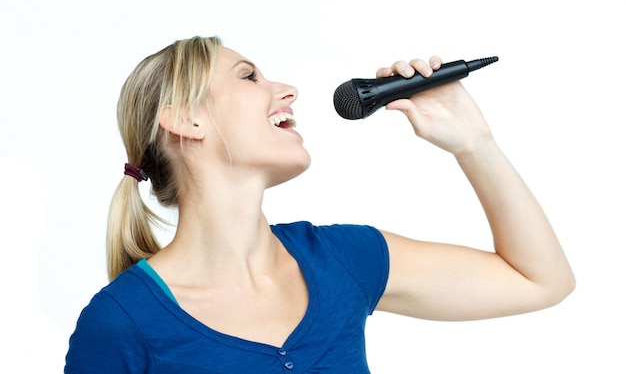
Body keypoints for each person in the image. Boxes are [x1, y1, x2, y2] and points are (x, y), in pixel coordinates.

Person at [64, 36, 575, 373]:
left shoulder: (342, 258)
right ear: (185, 121)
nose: (287, 90)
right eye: (249, 77)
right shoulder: (120, 324)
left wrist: (474, 142)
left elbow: (540, 281)